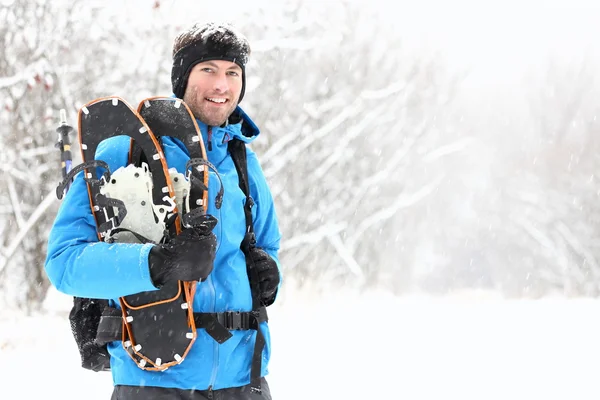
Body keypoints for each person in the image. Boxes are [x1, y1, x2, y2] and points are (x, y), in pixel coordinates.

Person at [45, 22, 282, 400]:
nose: (222, 85)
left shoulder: (242, 162)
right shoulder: (123, 154)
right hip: (154, 379)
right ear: (182, 78)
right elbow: (64, 262)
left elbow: (267, 245)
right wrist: (155, 264)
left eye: (232, 73)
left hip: (244, 380)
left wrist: (269, 273)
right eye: (209, 71)